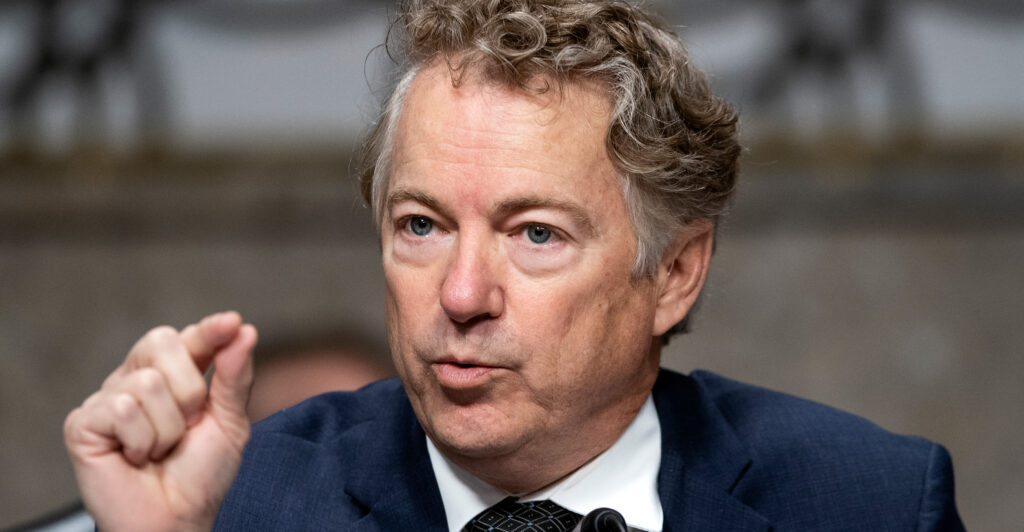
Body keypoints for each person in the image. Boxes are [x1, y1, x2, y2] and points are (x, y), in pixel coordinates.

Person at [63, 1, 965, 530]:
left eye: (535, 235)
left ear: (675, 273)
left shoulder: (870, 503)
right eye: (421, 225)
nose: (460, 295)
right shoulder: (245, 503)